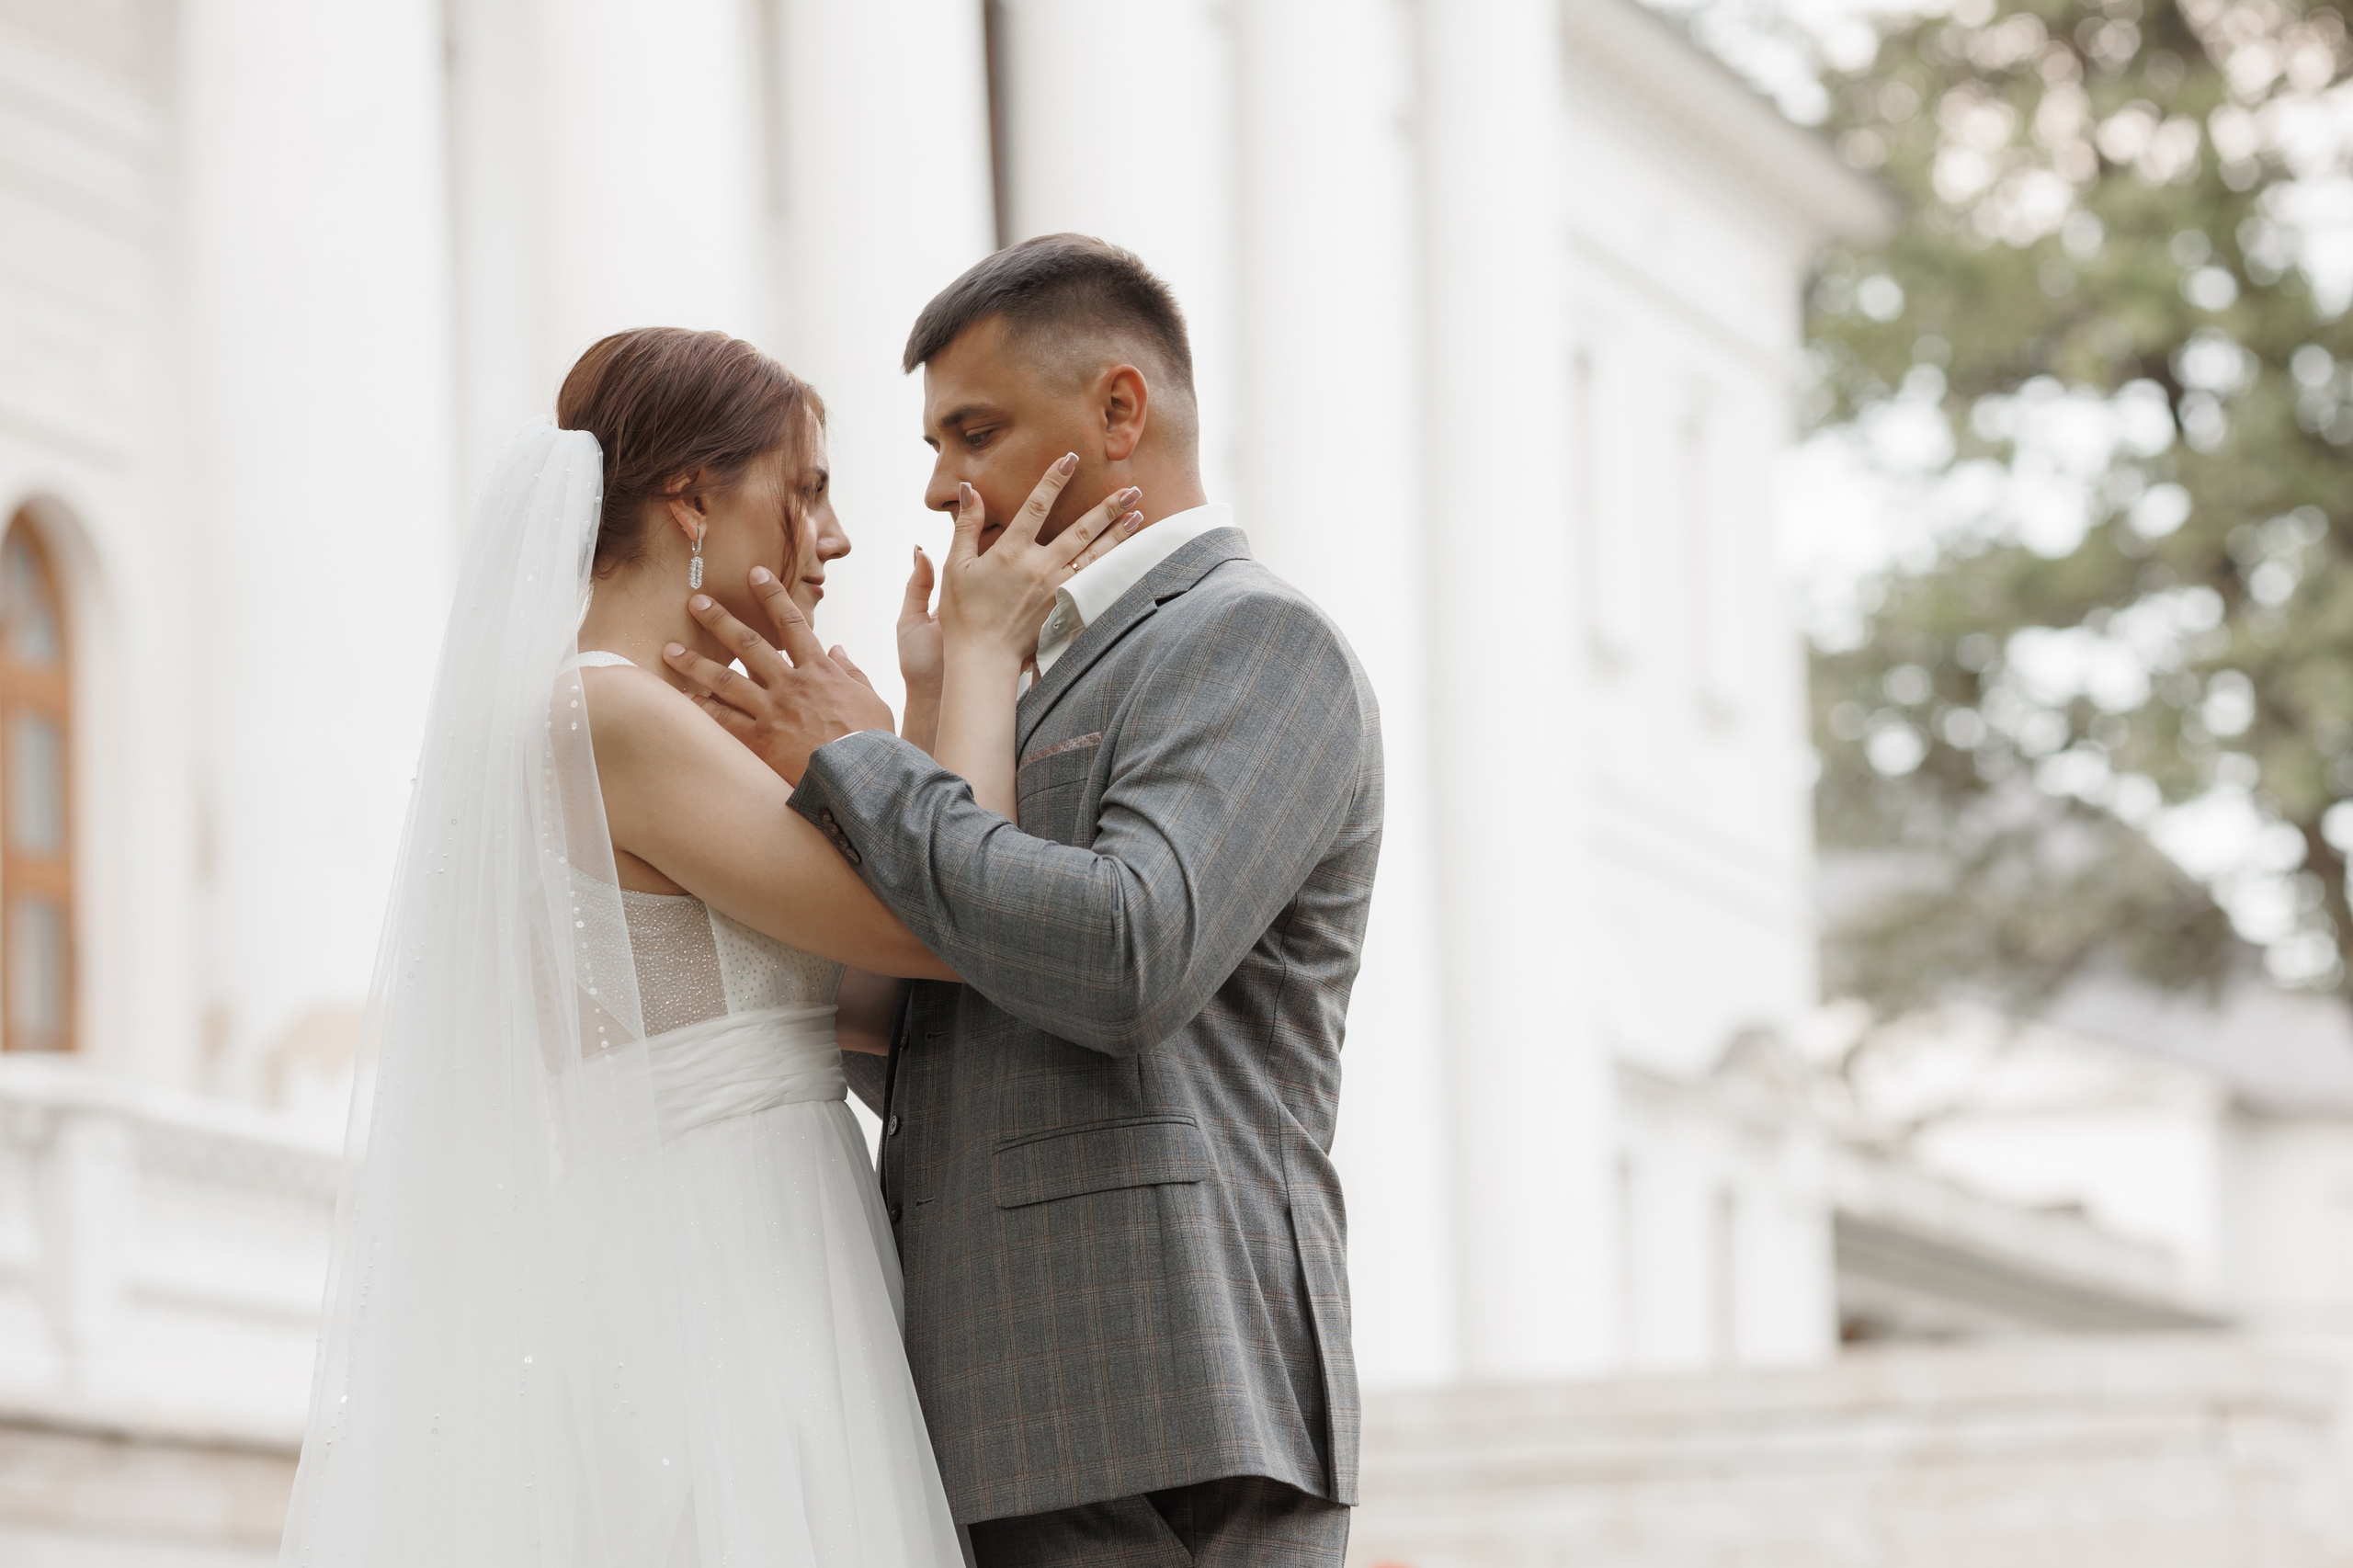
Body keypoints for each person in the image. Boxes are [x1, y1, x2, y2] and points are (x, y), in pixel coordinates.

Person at [278, 327, 1142, 1567]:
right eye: (804, 490)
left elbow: (865, 997)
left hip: (780, 1245)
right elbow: (951, 927)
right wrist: (985, 657)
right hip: (718, 1270)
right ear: (692, 494)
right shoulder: (604, 714)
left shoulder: (658, 720)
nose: (836, 538)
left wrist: (911, 707)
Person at [665, 236, 1384, 1567]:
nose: (939, 485)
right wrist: (933, 719)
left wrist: (868, 764)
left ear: (1120, 410)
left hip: (1166, 1396)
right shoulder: (1025, 668)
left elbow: (1127, 953)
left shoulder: (1253, 637)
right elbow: (954, 1043)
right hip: (987, 1401)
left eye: (973, 431)